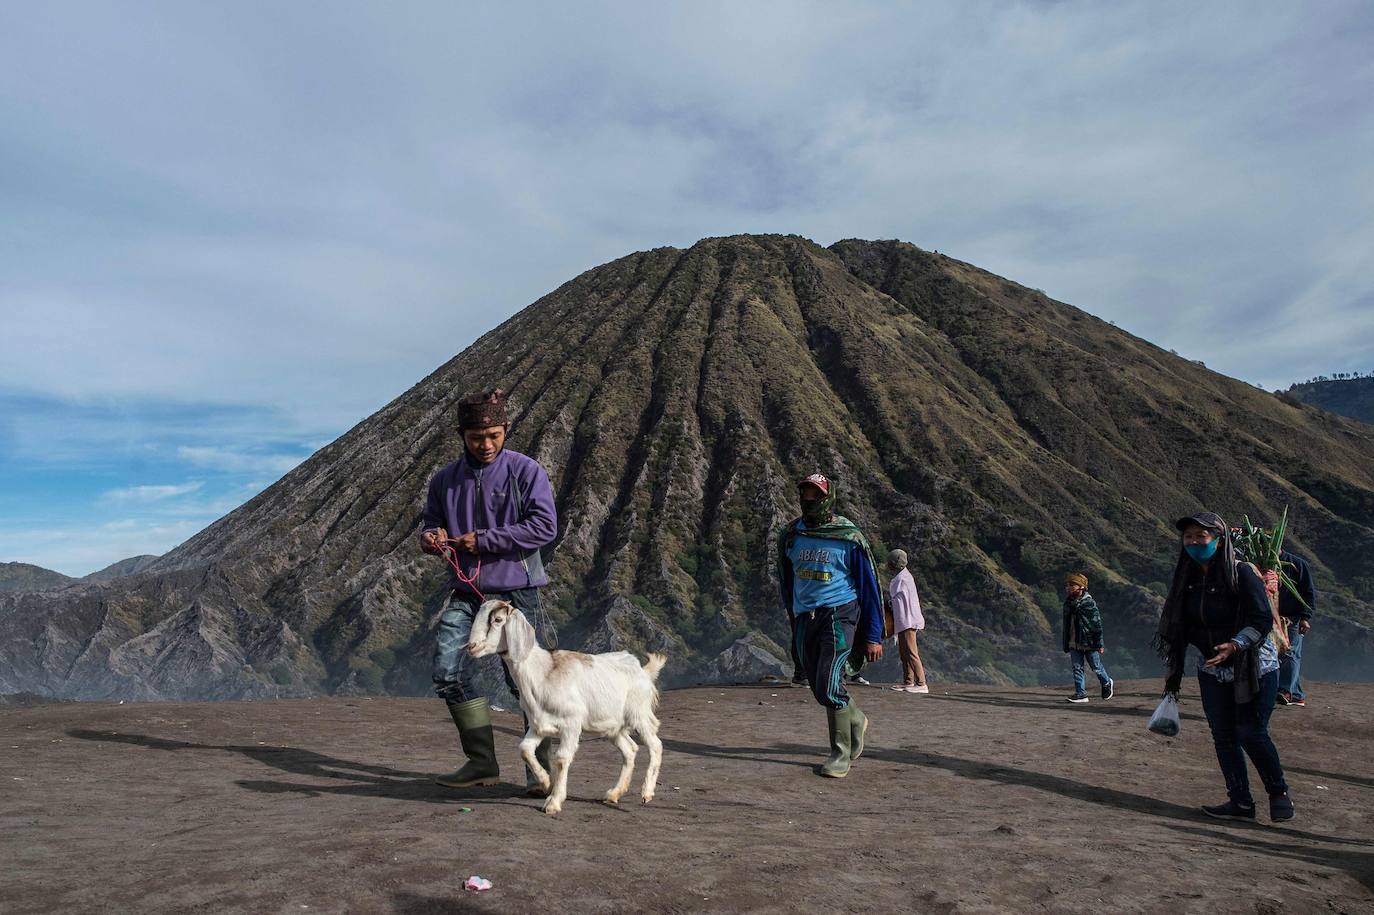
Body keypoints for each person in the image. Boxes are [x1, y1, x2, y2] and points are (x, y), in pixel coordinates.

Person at [420, 388, 558, 791]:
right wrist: (431, 537)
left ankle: (540, 774)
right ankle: (482, 764)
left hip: (517, 593)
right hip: (468, 593)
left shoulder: (526, 471)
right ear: (461, 435)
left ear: (506, 430)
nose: (486, 445)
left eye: (494, 435)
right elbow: (430, 522)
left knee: (527, 681)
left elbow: (544, 527)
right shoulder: (444, 480)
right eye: (477, 437)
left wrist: (483, 540)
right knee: (447, 671)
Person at [1154, 511, 1294, 822]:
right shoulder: (1187, 579)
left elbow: (1260, 618)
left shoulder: (1241, 573)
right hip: (1212, 669)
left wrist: (1236, 644)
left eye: (1201, 536)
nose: (1193, 542)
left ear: (1218, 541)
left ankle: (1278, 791)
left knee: (1250, 732)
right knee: (1223, 735)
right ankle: (1240, 801)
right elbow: (1185, 620)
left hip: (1254, 666)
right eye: (1188, 536)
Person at [776, 473, 884, 778]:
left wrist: (873, 636)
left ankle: (840, 753)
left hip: (839, 614)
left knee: (828, 680)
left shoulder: (848, 538)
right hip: (805, 616)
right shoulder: (792, 535)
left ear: (828, 497)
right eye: (805, 494)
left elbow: (870, 588)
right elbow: (787, 578)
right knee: (817, 685)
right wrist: (793, 614)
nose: (810, 500)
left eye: (816, 495)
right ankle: (856, 717)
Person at [1062, 572, 1112, 703]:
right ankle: (1081, 694)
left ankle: (1106, 682)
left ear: (1081, 587)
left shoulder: (1089, 603)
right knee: (1077, 667)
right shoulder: (1068, 604)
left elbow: (1097, 625)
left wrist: (1100, 644)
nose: (1068, 588)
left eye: (1072, 585)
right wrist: (1066, 642)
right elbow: (1066, 625)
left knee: (1096, 666)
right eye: (1067, 585)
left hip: (1089, 642)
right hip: (1074, 641)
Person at [1276, 549, 1316, 708]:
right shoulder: (1260, 564)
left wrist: (1305, 618)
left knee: (1289, 652)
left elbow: (1308, 592)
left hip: (1292, 618)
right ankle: (1296, 694)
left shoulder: (1298, 565)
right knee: (1274, 655)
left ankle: (1285, 691)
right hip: (1269, 618)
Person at [885, 549, 929, 694]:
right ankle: (908, 681)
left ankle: (921, 683)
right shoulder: (903, 577)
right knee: (904, 652)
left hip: (908, 620)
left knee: (911, 652)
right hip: (903, 620)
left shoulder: (902, 579)